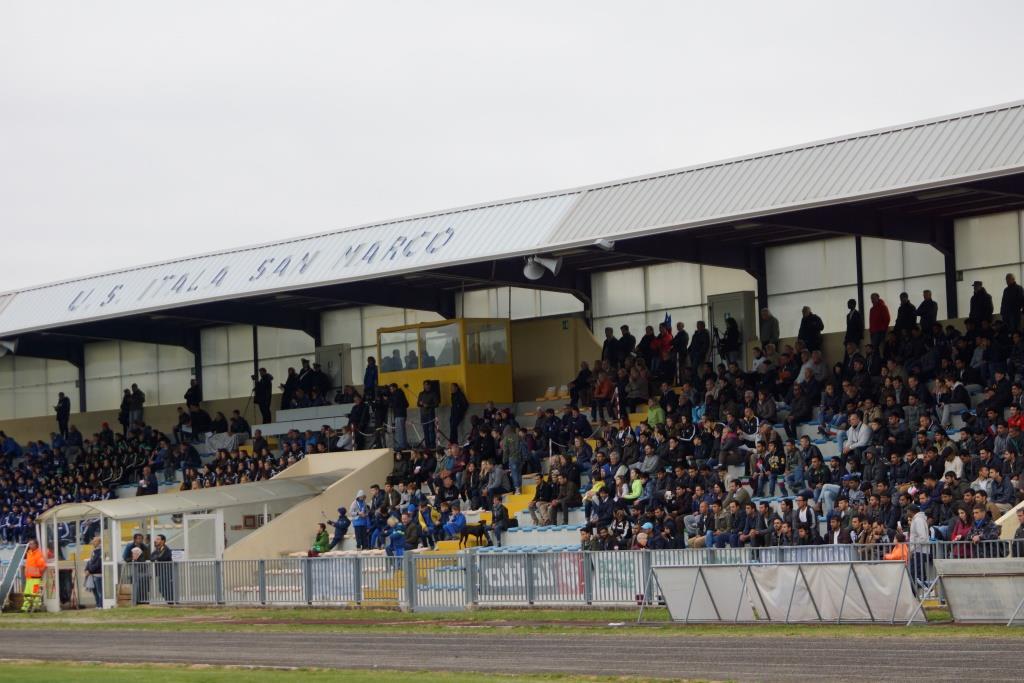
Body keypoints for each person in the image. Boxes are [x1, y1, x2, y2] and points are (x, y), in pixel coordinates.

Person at [20, 539, 46, 612]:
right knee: (27, 593)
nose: (30, 545)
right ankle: (25, 608)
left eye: (31, 544)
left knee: (35, 593)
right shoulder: (29, 553)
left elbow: (43, 566)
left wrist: (39, 574)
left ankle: (36, 607)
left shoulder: (38, 554)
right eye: (29, 544)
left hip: (35, 578)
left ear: (36, 545)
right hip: (29, 578)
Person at [150, 534, 174, 604]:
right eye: (156, 539)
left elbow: (162, 557)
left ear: (163, 541)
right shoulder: (156, 550)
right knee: (161, 588)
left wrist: (156, 557)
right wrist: (156, 557)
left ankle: (171, 602)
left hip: (167, 572)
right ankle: (169, 602)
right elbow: (151, 558)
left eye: (158, 539)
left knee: (167, 588)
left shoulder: (167, 549)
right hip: (160, 572)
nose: (155, 541)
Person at [417, 381, 439, 449]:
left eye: (427, 385)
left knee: (431, 430)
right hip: (423, 415)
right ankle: (427, 445)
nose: (426, 386)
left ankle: (432, 445)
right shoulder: (421, 393)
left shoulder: (433, 393)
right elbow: (417, 404)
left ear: (430, 386)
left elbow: (436, 404)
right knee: (425, 430)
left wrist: (428, 405)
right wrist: (420, 403)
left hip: (430, 414)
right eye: (425, 385)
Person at [84, 536, 103, 608]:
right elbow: (90, 561)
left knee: (99, 592)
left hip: (98, 574)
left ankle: (101, 605)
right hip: (92, 574)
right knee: (95, 592)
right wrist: (86, 569)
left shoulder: (101, 551)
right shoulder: (94, 551)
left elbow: (98, 563)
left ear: (99, 542)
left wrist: (89, 570)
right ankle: (98, 604)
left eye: (95, 541)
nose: (93, 542)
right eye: (93, 541)